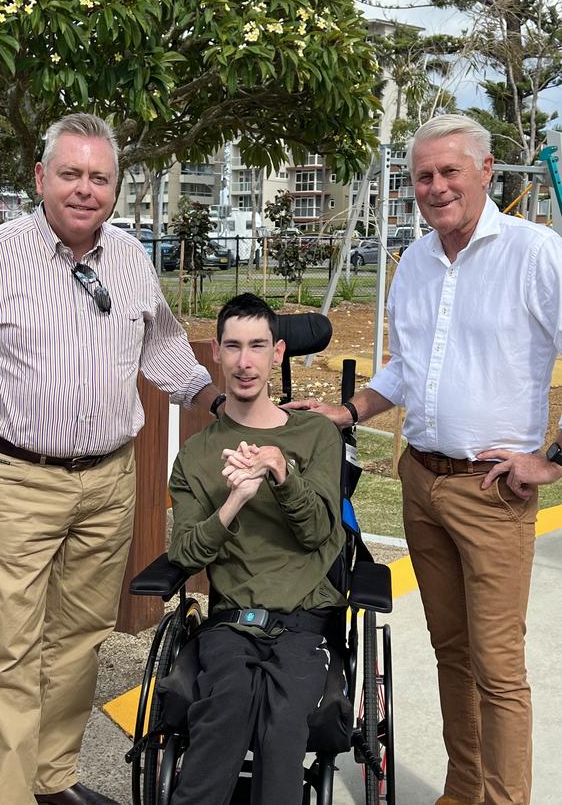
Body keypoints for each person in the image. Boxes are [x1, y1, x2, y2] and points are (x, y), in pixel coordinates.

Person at [0, 113, 224, 805]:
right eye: (71, 173)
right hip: (16, 481)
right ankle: (14, 796)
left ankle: (53, 780)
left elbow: (164, 345)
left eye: (99, 177)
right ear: (40, 178)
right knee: (10, 651)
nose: (85, 189)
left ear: (116, 187)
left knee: (80, 640)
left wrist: (216, 398)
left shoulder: (130, 257)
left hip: (110, 481)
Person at [287, 114, 562, 805]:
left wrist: (553, 462)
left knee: (497, 669)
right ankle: (463, 788)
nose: (436, 187)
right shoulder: (414, 260)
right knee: (451, 654)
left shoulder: (535, 253)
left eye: (450, 172)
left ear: (487, 172)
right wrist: (350, 412)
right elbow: (409, 367)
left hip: (492, 490)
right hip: (422, 480)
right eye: (424, 176)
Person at [167, 293, 346, 805]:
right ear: (217, 356)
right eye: (233, 347)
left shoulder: (316, 434)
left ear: (278, 353)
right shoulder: (198, 454)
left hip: (304, 618)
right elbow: (183, 554)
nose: (245, 362)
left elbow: (317, 535)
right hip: (232, 619)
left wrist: (283, 475)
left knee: (284, 725)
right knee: (225, 709)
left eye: (258, 346)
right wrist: (234, 503)